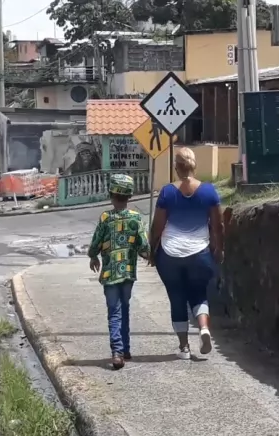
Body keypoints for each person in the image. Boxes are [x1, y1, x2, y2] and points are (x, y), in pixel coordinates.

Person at [149, 147, 224, 360]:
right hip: (200, 253)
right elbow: (218, 226)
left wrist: (152, 250)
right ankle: (204, 329)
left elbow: (157, 227)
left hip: (170, 255)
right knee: (199, 294)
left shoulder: (167, 192)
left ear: (176, 167)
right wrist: (220, 248)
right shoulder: (209, 191)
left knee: (177, 297)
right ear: (194, 165)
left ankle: (184, 348)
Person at [88, 174, 150, 370]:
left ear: (111, 195)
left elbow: (96, 241)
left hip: (110, 274)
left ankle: (117, 352)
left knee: (114, 312)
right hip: (128, 272)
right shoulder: (135, 218)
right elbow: (143, 245)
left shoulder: (106, 218)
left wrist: (93, 256)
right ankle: (126, 349)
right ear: (129, 196)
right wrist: (150, 256)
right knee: (125, 308)